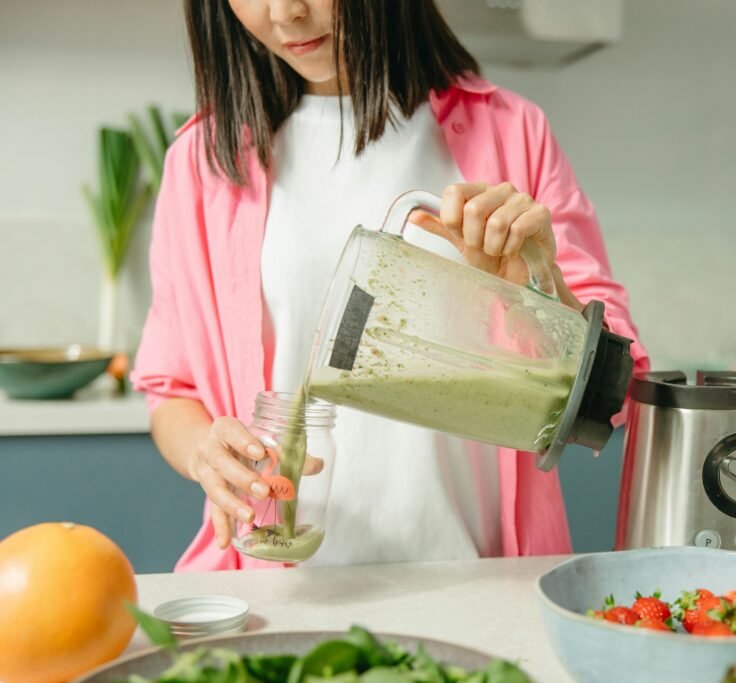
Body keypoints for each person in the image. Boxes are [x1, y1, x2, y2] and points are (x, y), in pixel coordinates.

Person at [131, 0, 650, 572]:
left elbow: (617, 396)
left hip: (479, 580)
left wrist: (535, 294)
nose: (286, 12)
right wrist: (204, 452)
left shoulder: (512, 133)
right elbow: (171, 391)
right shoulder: (203, 161)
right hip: (277, 591)